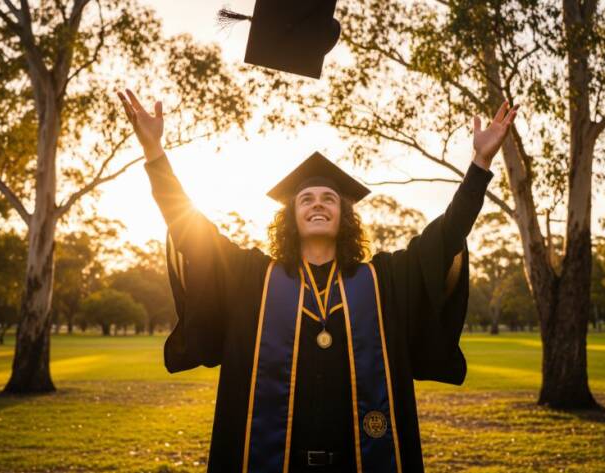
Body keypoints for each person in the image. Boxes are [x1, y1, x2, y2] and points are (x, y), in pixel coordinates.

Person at [117, 89, 517, 472]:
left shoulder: (383, 281)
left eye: (329, 198)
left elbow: (446, 235)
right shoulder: (253, 278)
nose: (318, 205)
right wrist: (155, 152)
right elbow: (189, 228)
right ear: (291, 216)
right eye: (306, 199)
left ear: (344, 215)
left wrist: (480, 165)